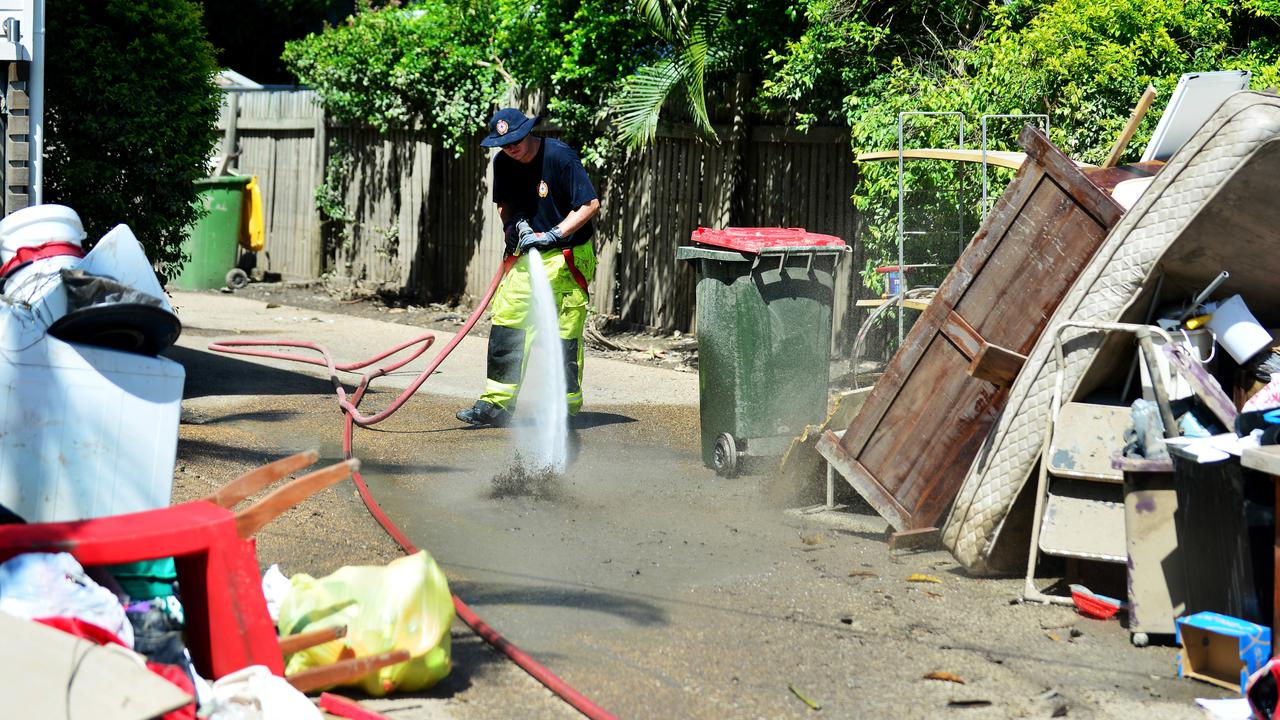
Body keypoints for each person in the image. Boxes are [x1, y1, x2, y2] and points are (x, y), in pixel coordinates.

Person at [456, 107, 601, 427]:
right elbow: (503, 205)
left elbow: (590, 204)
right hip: (529, 252)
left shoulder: (560, 157)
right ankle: (497, 403)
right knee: (509, 317)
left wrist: (555, 233)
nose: (511, 146)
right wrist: (514, 228)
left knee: (562, 331)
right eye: (504, 142)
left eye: (515, 139)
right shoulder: (503, 163)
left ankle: (563, 407)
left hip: (566, 253)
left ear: (528, 131)